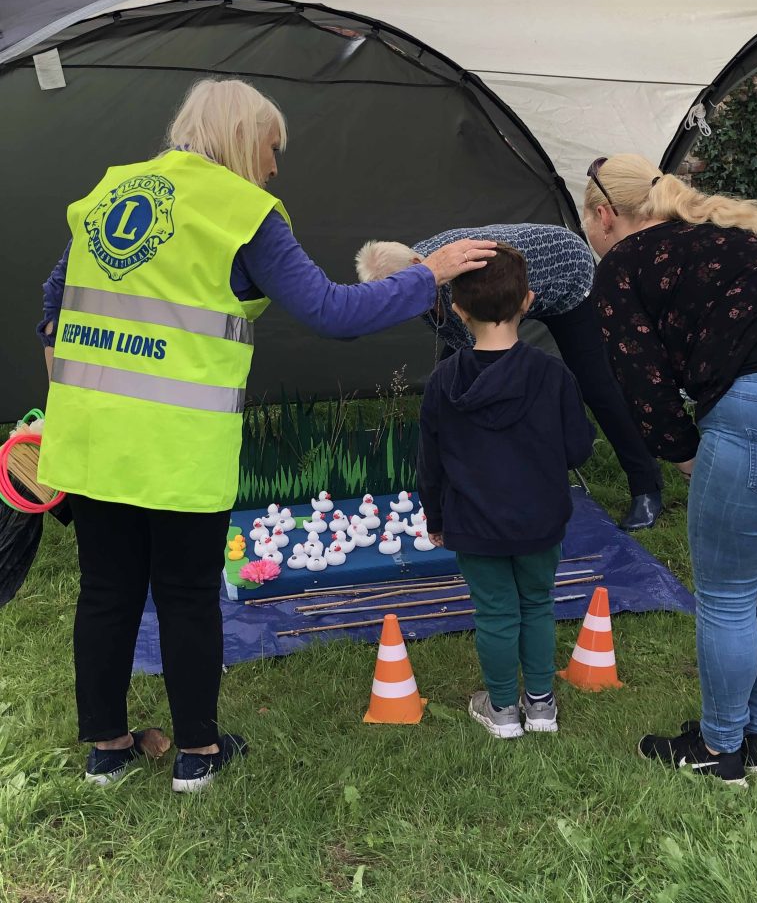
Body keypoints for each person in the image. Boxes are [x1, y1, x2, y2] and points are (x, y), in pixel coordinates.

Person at [36, 78, 496, 793]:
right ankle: (198, 756)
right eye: (273, 149)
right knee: (186, 594)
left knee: (105, 590)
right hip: (177, 443)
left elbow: (54, 305)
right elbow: (333, 312)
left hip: (92, 434)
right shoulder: (243, 212)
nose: (276, 168)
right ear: (245, 141)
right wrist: (426, 276)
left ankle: (107, 749)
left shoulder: (111, 192)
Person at [583, 153, 757, 786]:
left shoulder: (621, 266)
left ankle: (722, 752)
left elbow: (643, 383)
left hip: (752, 414)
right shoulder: (739, 231)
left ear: (604, 215)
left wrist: (684, 451)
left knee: (727, 594)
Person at [356, 225, 663, 531]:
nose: (395, 303)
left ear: (415, 267)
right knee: (449, 389)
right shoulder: (418, 280)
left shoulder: (458, 275)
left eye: (396, 294)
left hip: (564, 273)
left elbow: (486, 348)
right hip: (499, 294)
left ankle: (645, 484)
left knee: (595, 384)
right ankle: (461, 483)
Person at [417, 245, 595, 738]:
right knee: (536, 604)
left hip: (473, 525)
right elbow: (579, 449)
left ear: (456, 309)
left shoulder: (442, 381)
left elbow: (429, 463)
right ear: (528, 301)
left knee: (495, 611)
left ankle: (501, 711)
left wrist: (435, 519)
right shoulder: (553, 375)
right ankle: (540, 707)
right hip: (540, 521)